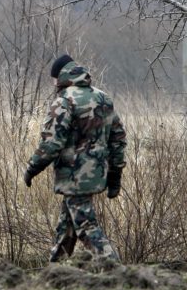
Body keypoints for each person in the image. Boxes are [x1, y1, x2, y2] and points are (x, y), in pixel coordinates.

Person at [23, 54, 127, 263]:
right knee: (66, 229)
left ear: (60, 76)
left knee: (86, 227)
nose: (53, 83)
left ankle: (115, 270)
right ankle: (55, 272)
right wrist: (115, 178)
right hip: (96, 175)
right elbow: (118, 140)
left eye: (53, 79)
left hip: (74, 177)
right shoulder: (103, 98)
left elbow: (51, 144)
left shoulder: (63, 101)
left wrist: (31, 169)